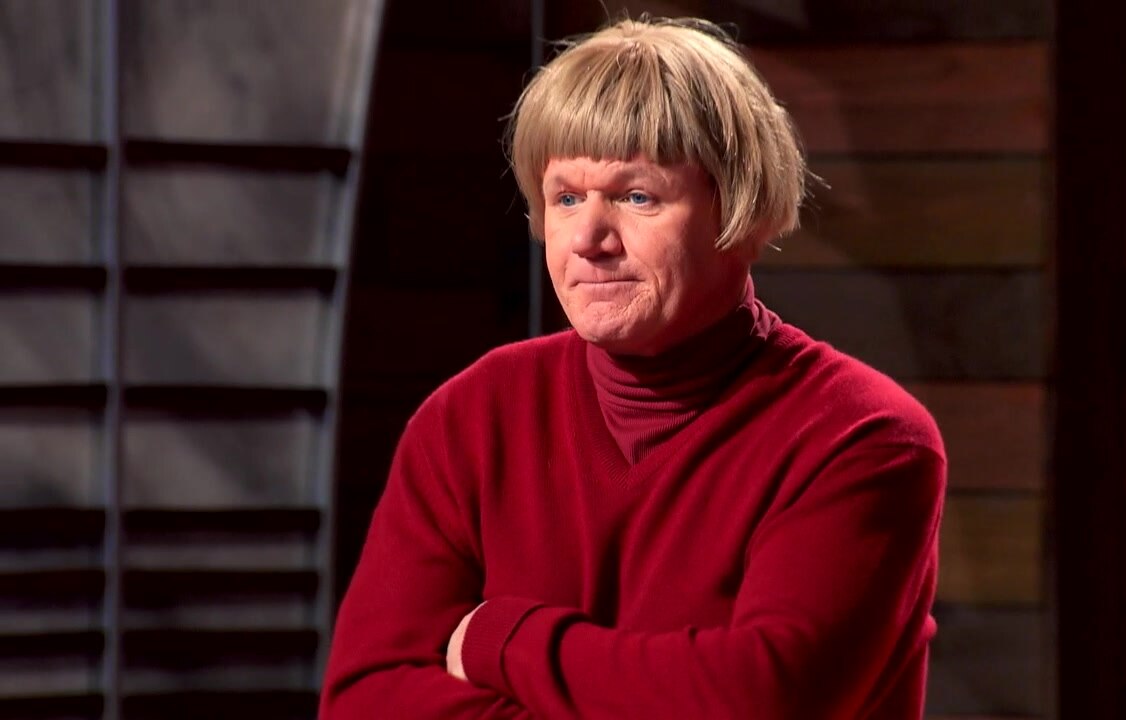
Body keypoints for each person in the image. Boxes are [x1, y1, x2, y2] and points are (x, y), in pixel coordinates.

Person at [320, 15, 945, 720]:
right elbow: (363, 700)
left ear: (738, 210)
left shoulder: (862, 436)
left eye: (636, 196)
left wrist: (503, 637)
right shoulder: (473, 415)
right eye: (566, 198)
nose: (588, 238)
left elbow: (761, 699)